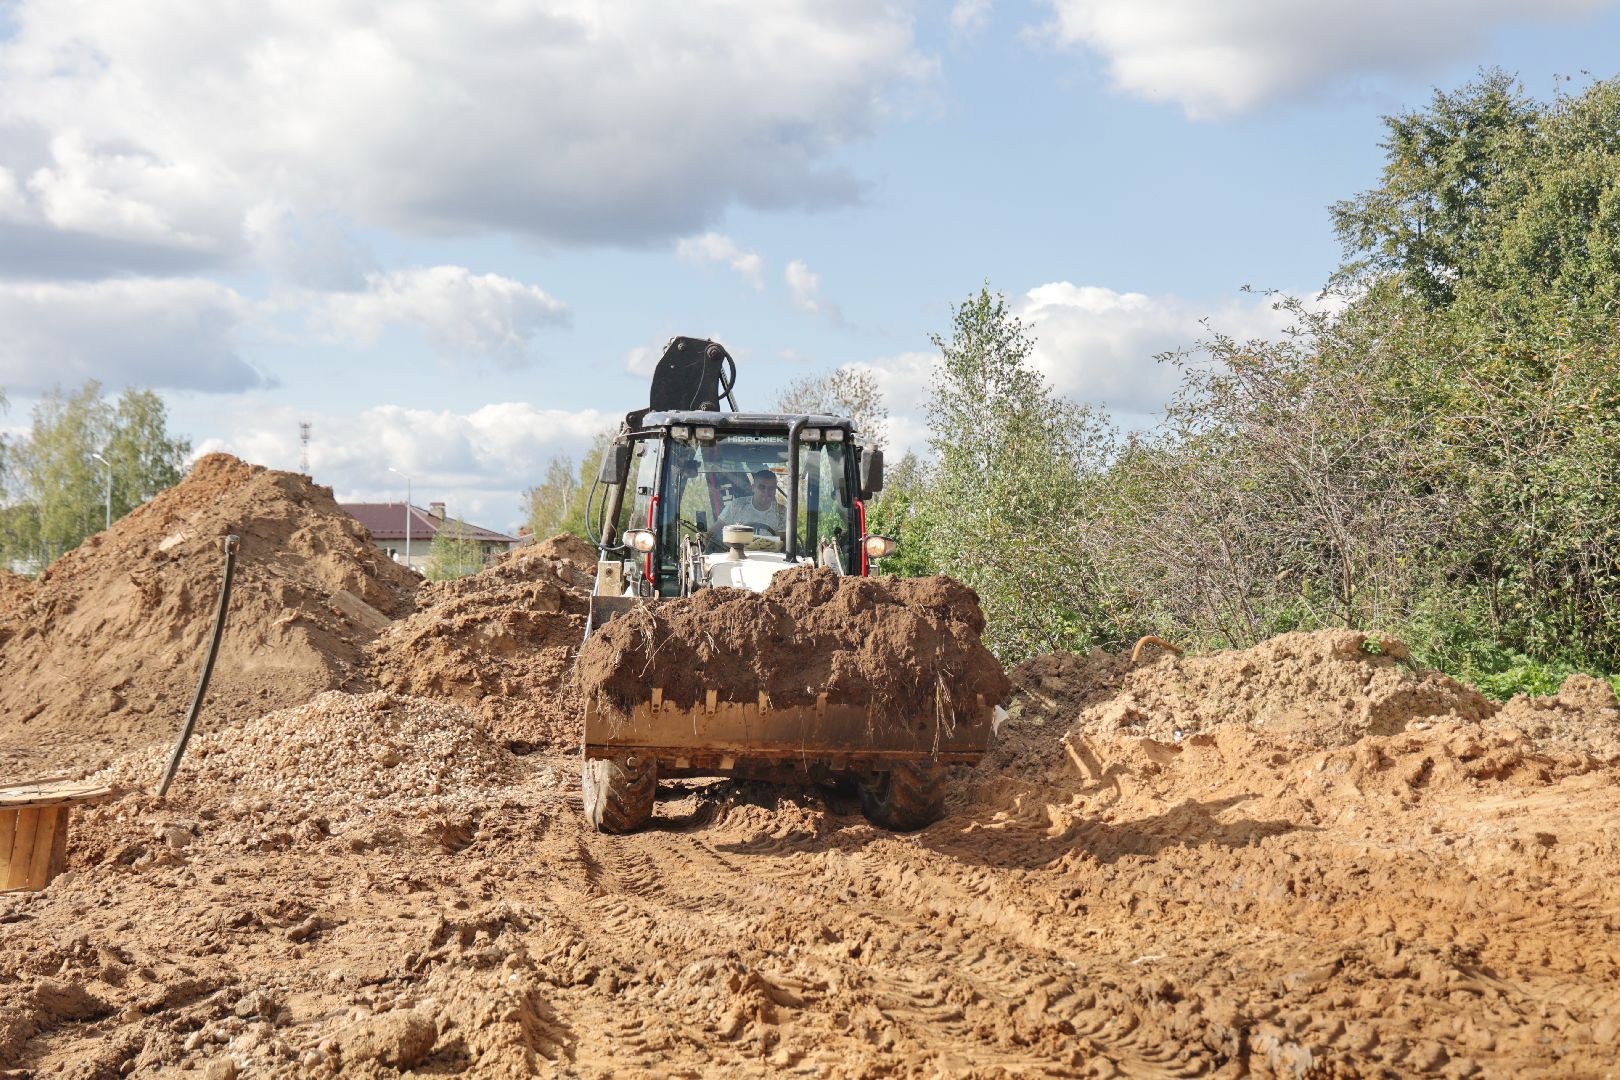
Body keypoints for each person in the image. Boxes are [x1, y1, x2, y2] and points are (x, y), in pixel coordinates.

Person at [718, 468, 787, 537]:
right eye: (762, 487)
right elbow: (715, 530)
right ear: (753, 488)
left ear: (775, 490)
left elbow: (782, 541)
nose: (766, 492)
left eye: (771, 488)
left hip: (771, 548)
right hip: (737, 547)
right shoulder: (737, 506)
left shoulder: (781, 512)